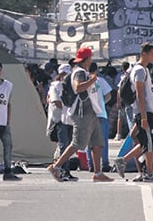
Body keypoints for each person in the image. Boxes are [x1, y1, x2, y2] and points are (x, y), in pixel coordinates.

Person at [47, 48, 113, 182]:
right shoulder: (80, 73)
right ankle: (56, 166)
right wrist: (92, 80)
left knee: (96, 142)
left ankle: (98, 173)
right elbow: (78, 88)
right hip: (82, 113)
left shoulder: (80, 71)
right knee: (76, 143)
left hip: (90, 112)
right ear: (87, 58)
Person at [114, 42, 153, 182]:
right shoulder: (139, 70)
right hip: (144, 112)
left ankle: (128, 162)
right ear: (144, 54)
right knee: (148, 143)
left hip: (148, 111)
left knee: (146, 142)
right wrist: (143, 116)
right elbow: (140, 95)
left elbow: (149, 95)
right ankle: (148, 172)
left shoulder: (143, 70)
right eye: (152, 54)